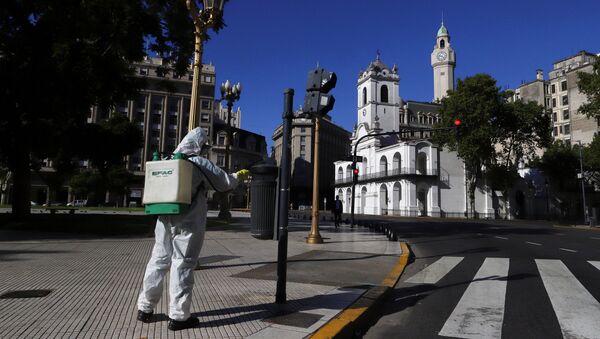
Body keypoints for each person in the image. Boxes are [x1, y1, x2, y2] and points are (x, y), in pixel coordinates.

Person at [136, 128, 249, 331]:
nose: (205, 150)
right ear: (200, 145)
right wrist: (238, 176)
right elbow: (224, 183)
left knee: (158, 261)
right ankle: (179, 317)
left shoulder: (168, 159)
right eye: (205, 146)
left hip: (163, 218)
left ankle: (145, 308)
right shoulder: (198, 162)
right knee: (183, 263)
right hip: (187, 221)